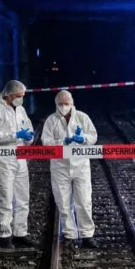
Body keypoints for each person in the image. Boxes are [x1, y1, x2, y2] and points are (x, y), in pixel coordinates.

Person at [41, 91, 98, 247]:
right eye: (61, 104)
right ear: (56, 104)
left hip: (81, 165)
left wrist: (83, 139)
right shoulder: (51, 120)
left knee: (84, 200)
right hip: (60, 166)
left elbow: (93, 136)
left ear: (72, 103)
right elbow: (45, 141)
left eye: (66, 103)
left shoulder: (82, 117)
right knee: (63, 201)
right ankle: (69, 234)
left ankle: (87, 235)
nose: (64, 107)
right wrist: (62, 142)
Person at [0, 80, 35, 248]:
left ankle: (20, 233)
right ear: (9, 94)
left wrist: (29, 137)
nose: (21, 99)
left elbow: (28, 127)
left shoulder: (20, 110)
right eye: (19, 96)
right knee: (4, 196)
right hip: (3, 160)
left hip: (20, 157)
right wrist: (16, 135)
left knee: (23, 197)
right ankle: (4, 235)